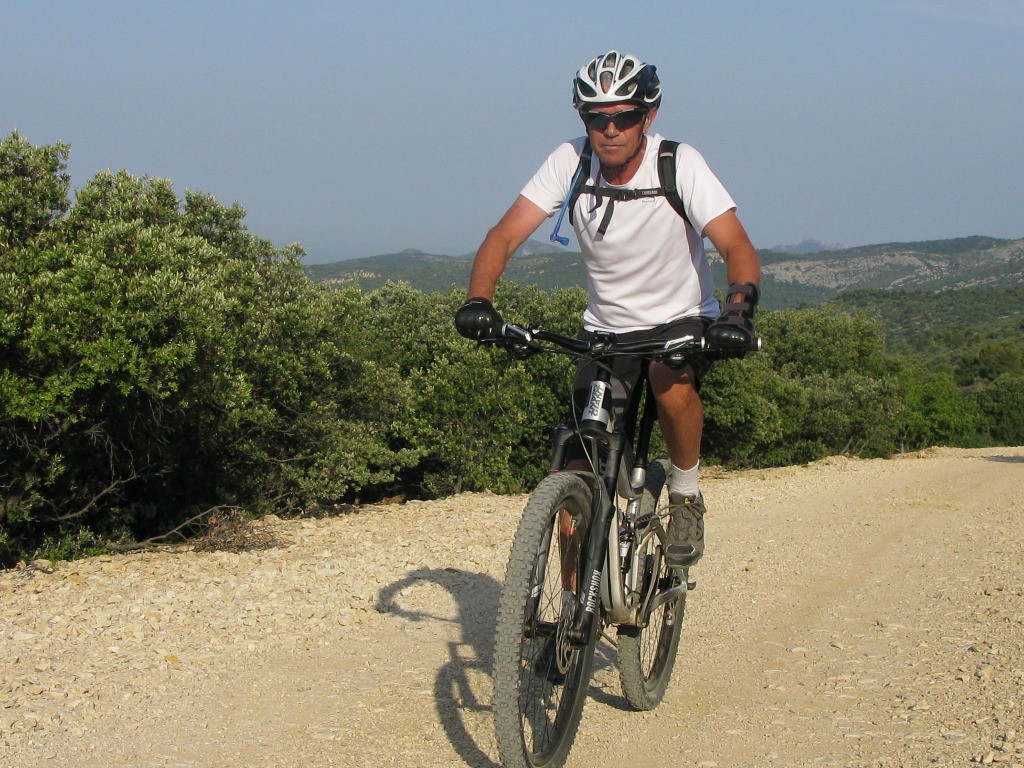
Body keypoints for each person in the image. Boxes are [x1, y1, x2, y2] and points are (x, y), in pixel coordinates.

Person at [455, 51, 761, 568]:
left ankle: (685, 493)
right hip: (607, 332)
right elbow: (504, 235)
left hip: (681, 318)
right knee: (577, 472)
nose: (611, 129)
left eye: (625, 116)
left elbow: (736, 246)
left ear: (650, 116)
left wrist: (737, 311)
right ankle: (567, 633)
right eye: (598, 118)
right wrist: (478, 299)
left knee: (671, 377)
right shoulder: (571, 161)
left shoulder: (678, 163)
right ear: (584, 120)